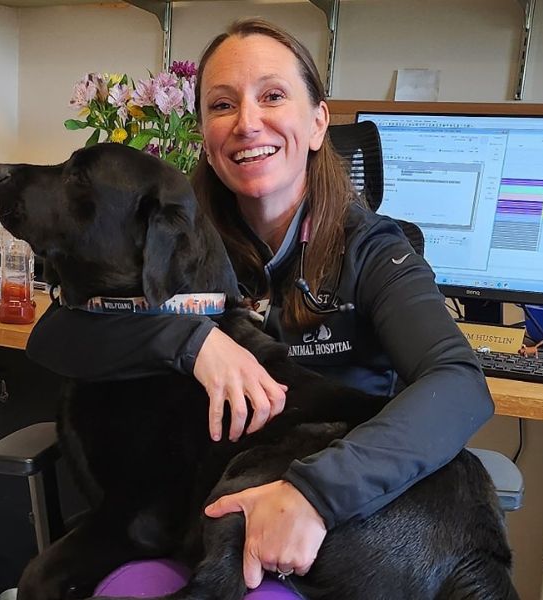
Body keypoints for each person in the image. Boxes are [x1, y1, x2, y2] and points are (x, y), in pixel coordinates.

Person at [27, 17, 494, 597]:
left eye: (273, 96)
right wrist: (191, 343)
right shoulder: (181, 232)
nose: (248, 123)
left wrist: (313, 493)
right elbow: (56, 335)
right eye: (223, 105)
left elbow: (459, 383)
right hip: (192, 510)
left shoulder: (372, 250)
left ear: (319, 121)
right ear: (204, 130)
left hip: (330, 520)